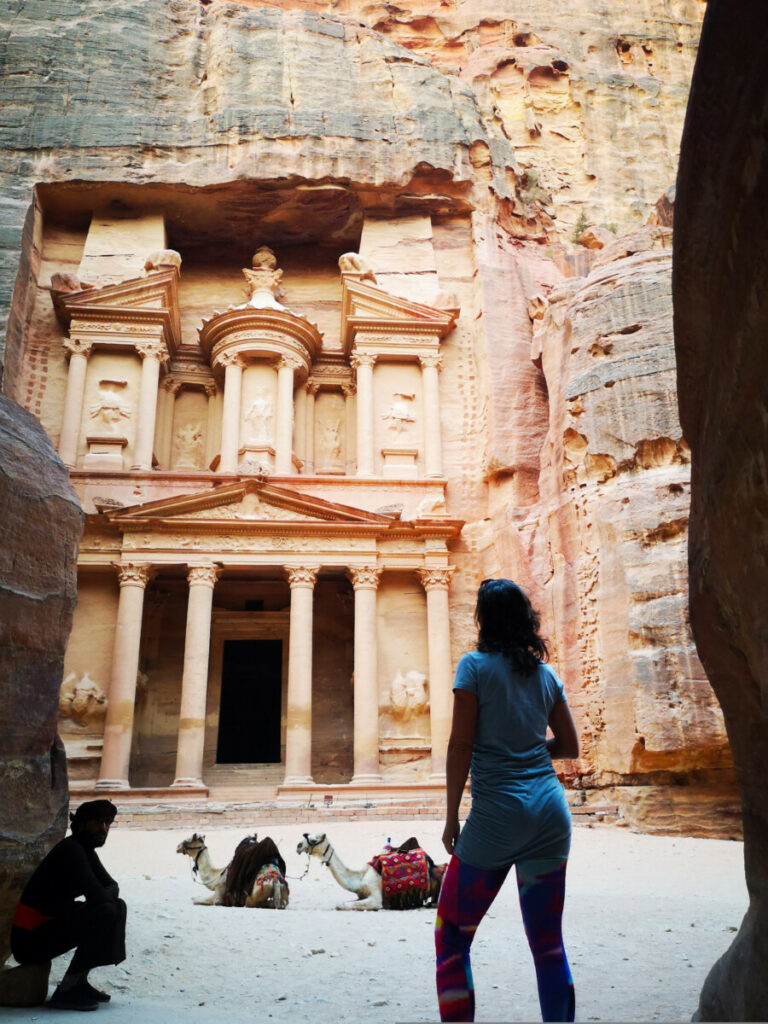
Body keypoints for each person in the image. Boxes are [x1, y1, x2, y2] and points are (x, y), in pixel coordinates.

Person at [435, 578, 579, 1023]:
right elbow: (569, 745)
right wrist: (529, 753)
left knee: (452, 938)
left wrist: (450, 817)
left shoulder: (473, 667)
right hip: (549, 816)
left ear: (484, 620)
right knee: (548, 945)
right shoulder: (546, 674)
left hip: (497, 818)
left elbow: (460, 746)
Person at [11, 799, 126, 1011]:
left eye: (107, 823)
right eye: (98, 822)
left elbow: (111, 886)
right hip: (28, 940)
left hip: (45, 930)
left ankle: (79, 982)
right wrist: (96, 900)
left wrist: (97, 899)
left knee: (117, 907)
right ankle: (67, 990)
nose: (104, 829)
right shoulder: (71, 849)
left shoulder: (86, 850)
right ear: (82, 824)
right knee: (106, 910)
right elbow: (99, 896)